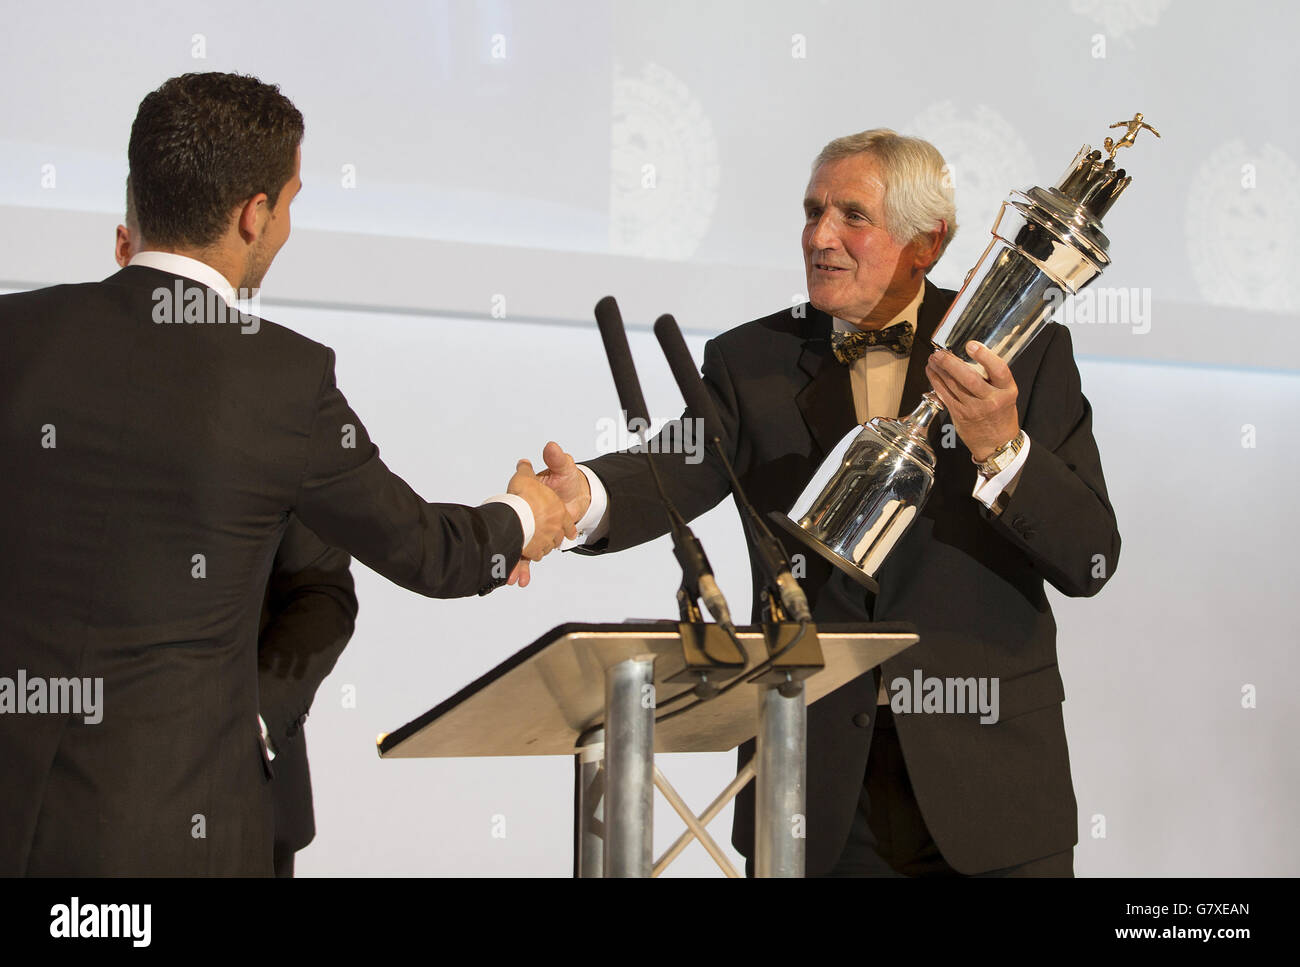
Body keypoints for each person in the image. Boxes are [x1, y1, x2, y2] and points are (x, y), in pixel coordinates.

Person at [0, 71, 571, 875]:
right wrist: (524, 514)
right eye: (292, 201)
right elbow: (428, 549)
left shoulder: (14, 334)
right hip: (173, 835)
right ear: (253, 213)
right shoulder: (282, 380)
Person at [522, 129, 1121, 876]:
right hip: (815, 788)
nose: (820, 236)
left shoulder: (1026, 354)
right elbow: (678, 468)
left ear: (925, 243)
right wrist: (584, 496)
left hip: (992, 783)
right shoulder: (751, 360)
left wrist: (1004, 448)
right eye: (812, 212)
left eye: (851, 216)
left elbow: (1091, 555)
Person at [119, 198, 358, 878]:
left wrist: (249, 722)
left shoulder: (276, 398)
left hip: (246, 806)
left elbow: (320, 592)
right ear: (120, 252)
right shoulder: (45, 389)